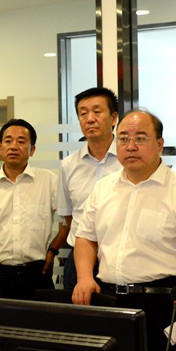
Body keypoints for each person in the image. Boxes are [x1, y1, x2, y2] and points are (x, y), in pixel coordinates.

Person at [72, 110, 176, 351]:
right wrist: (84, 277)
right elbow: (85, 238)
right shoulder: (103, 188)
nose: (130, 146)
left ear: (159, 144)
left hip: (162, 305)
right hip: (109, 301)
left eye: (140, 138)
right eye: (123, 138)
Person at [0, 119, 67, 300]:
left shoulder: (48, 181)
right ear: (0, 148)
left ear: (32, 150)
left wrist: (53, 250)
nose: (13, 146)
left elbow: (69, 221)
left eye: (21, 141)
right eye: (8, 141)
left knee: (40, 318)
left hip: (37, 272)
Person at [58, 87, 122, 290]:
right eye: (83, 113)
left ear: (113, 118)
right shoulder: (69, 165)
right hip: (78, 260)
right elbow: (69, 216)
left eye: (97, 111)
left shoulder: (128, 160)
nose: (90, 119)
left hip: (118, 257)